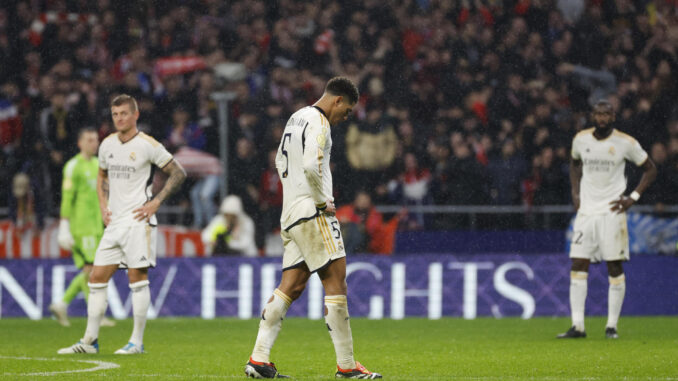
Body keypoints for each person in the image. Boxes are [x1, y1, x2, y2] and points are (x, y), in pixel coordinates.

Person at [244, 77, 382, 379]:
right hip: (312, 211)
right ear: (338, 101)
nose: (345, 119)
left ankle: (258, 358)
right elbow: (311, 165)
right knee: (336, 284)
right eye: (346, 112)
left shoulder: (296, 118)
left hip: (291, 212)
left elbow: (282, 163)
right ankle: (347, 366)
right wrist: (321, 201)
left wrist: (296, 198)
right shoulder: (320, 122)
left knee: (290, 287)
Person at [57, 94, 186, 354]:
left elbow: (178, 172)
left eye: (124, 113)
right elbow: (101, 175)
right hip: (114, 223)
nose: (119, 118)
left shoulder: (148, 144)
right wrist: (104, 205)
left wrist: (156, 202)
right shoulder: (106, 145)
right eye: (115, 114)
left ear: (135, 115)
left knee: (137, 280)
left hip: (139, 221)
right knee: (96, 278)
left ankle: (136, 342)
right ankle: (89, 341)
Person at [558, 100, 656, 340]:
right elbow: (574, 163)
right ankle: (578, 326)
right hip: (586, 213)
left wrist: (632, 198)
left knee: (614, 266)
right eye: (598, 114)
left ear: (613, 116)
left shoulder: (625, 143)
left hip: (612, 211)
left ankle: (611, 326)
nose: (601, 118)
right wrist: (575, 192)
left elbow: (651, 169)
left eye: (606, 114)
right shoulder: (581, 139)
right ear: (592, 115)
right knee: (578, 264)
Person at [49, 128, 115, 328]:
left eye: (96, 140)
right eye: (89, 140)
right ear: (80, 143)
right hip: (81, 226)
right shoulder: (72, 166)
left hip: (96, 226)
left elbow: (105, 194)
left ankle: (62, 304)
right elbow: (67, 197)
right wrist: (64, 225)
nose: (94, 143)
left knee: (91, 270)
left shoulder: (99, 165)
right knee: (92, 269)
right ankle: (94, 314)